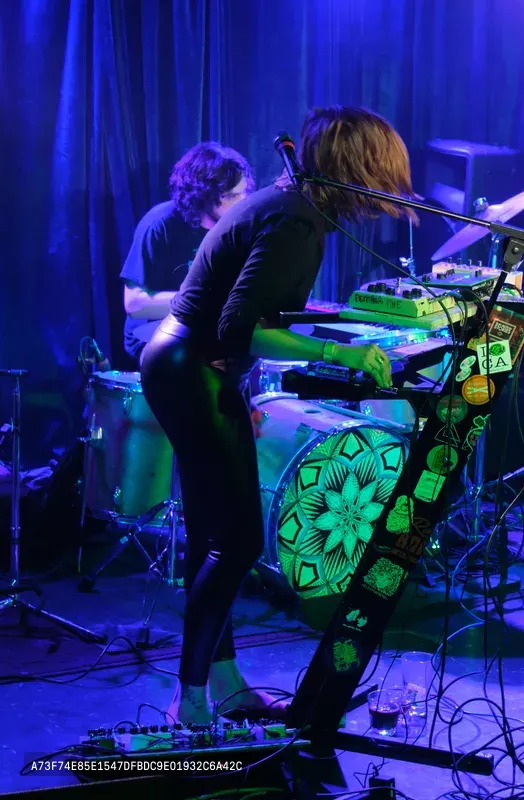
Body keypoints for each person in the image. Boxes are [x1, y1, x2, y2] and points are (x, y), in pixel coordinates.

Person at [139, 106, 414, 725]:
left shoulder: (291, 205)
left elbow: (241, 319)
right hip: (191, 368)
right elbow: (241, 326)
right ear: (358, 168)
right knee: (238, 543)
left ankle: (224, 684)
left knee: (216, 540)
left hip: (189, 365)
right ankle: (189, 703)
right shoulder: (296, 220)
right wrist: (338, 350)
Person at [120, 143, 255, 363]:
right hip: (155, 335)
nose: (242, 203)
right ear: (204, 194)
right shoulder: (160, 224)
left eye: (243, 193)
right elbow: (135, 304)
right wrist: (206, 301)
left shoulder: (237, 228)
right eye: (231, 196)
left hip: (206, 331)